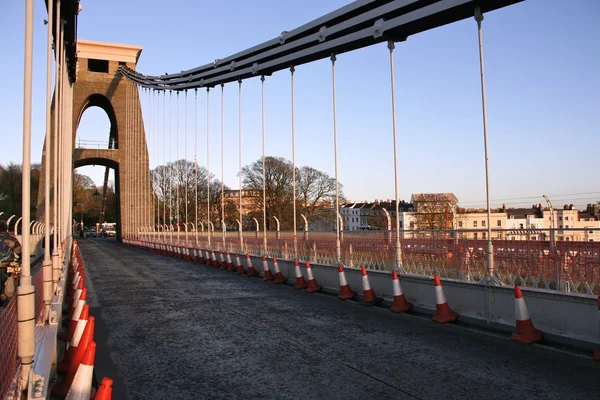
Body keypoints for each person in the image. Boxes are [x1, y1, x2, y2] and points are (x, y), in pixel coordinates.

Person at [0, 219, 21, 305]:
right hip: (9, 267)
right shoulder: (12, 239)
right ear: (6, 229)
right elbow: (21, 252)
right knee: (14, 280)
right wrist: (19, 263)